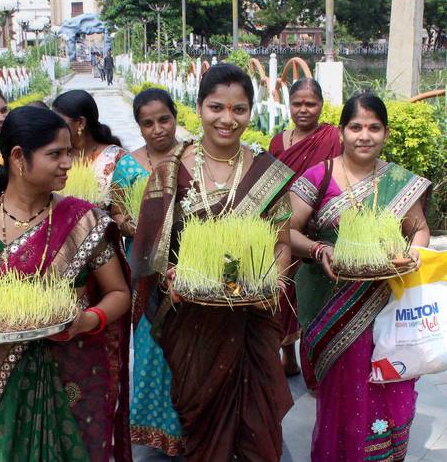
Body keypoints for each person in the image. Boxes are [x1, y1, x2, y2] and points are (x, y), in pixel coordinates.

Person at [0, 106, 133, 461]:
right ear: (18, 157)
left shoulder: (83, 220)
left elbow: (119, 293)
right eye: (55, 154)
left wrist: (88, 320)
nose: (68, 163)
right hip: (5, 377)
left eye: (69, 153)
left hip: (78, 370)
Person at [130, 64, 294, 461]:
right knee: (203, 425)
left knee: (258, 424)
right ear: (199, 107)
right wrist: (170, 278)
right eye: (216, 107)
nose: (227, 119)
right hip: (192, 325)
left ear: (250, 112)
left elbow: (282, 243)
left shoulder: (265, 173)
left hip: (252, 319)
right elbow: (149, 254)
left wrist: (270, 286)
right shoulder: (169, 172)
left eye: (239, 109)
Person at [289, 93, 431, 461]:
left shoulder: (397, 180)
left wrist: (412, 253)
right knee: (343, 394)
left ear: (384, 133)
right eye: (355, 127)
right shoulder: (318, 177)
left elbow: (419, 229)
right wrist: (320, 250)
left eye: (373, 127)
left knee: (389, 384)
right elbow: (286, 231)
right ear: (341, 131)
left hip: (386, 309)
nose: (364, 135)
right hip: (331, 309)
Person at [111, 88, 184, 457]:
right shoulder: (127, 165)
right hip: (143, 273)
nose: (157, 129)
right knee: (151, 347)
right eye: (148, 123)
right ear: (139, 126)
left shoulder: (193, 160)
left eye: (164, 119)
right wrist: (132, 226)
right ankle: (157, 431)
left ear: (175, 117)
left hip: (186, 269)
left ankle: (190, 426)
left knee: (186, 349)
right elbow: (116, 212)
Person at [269, 78, 342, 377]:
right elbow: (269, 185)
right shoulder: (277, 141)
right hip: (282, 226)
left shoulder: (333, 138)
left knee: (311, 300)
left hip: (317, 227)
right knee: (283, 294)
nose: (303, 109)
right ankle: (288, 355)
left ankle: (317, 365)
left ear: (321, 106)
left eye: (310, 103)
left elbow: (339, 179)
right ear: (288, 105)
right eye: (297, 103)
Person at [52, 90, 126, 196]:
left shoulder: (116, 158)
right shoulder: (52, 155)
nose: (54, 129)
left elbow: (123, 208)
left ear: (81, 123)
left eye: (60, 123)